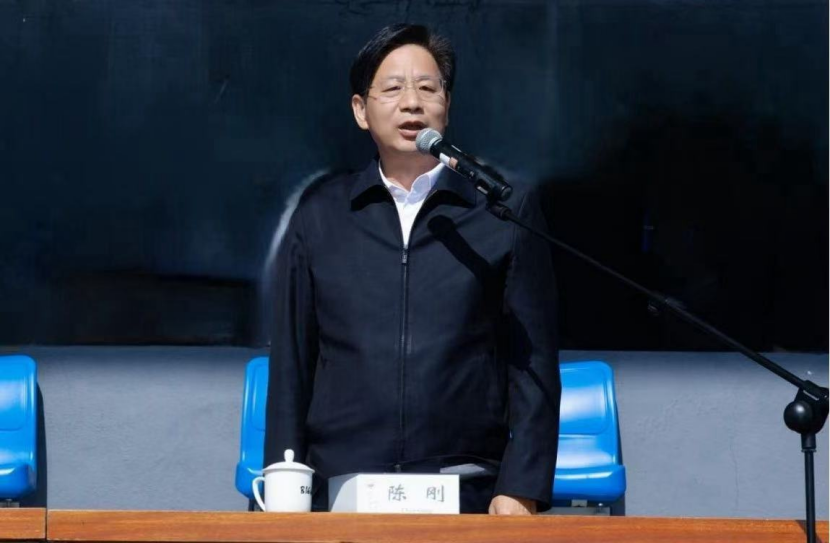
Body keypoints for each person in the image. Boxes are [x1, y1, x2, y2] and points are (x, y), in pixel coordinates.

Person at [264, 23, 560, 515]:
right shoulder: (320, 215)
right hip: (341, 486)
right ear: (361, 110)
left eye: (427, 88)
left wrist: (521, 487)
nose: (411, 104)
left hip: (466, 485)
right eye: (393, 88)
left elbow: (533, 363)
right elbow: (292, 363)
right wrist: (284, 483)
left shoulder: (500, 213)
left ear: (447, 105)